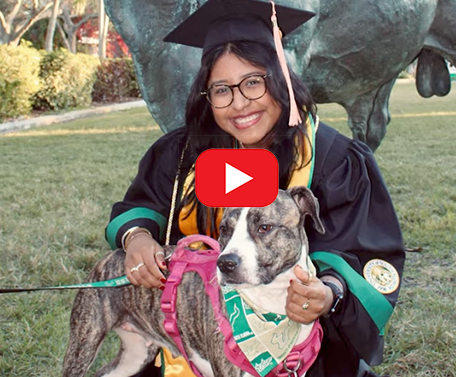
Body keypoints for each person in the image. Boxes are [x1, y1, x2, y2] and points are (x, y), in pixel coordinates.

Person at [105, 0, 405, 376]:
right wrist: (137, 239)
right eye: (221, 90)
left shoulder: (331, 160)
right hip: (191, 340)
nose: (239, 103)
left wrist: (327, 292)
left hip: (298, 347)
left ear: (281, 79)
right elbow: (142, 206)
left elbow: (363, 250)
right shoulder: (183, 154)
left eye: (253, 82)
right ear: (206, 96)